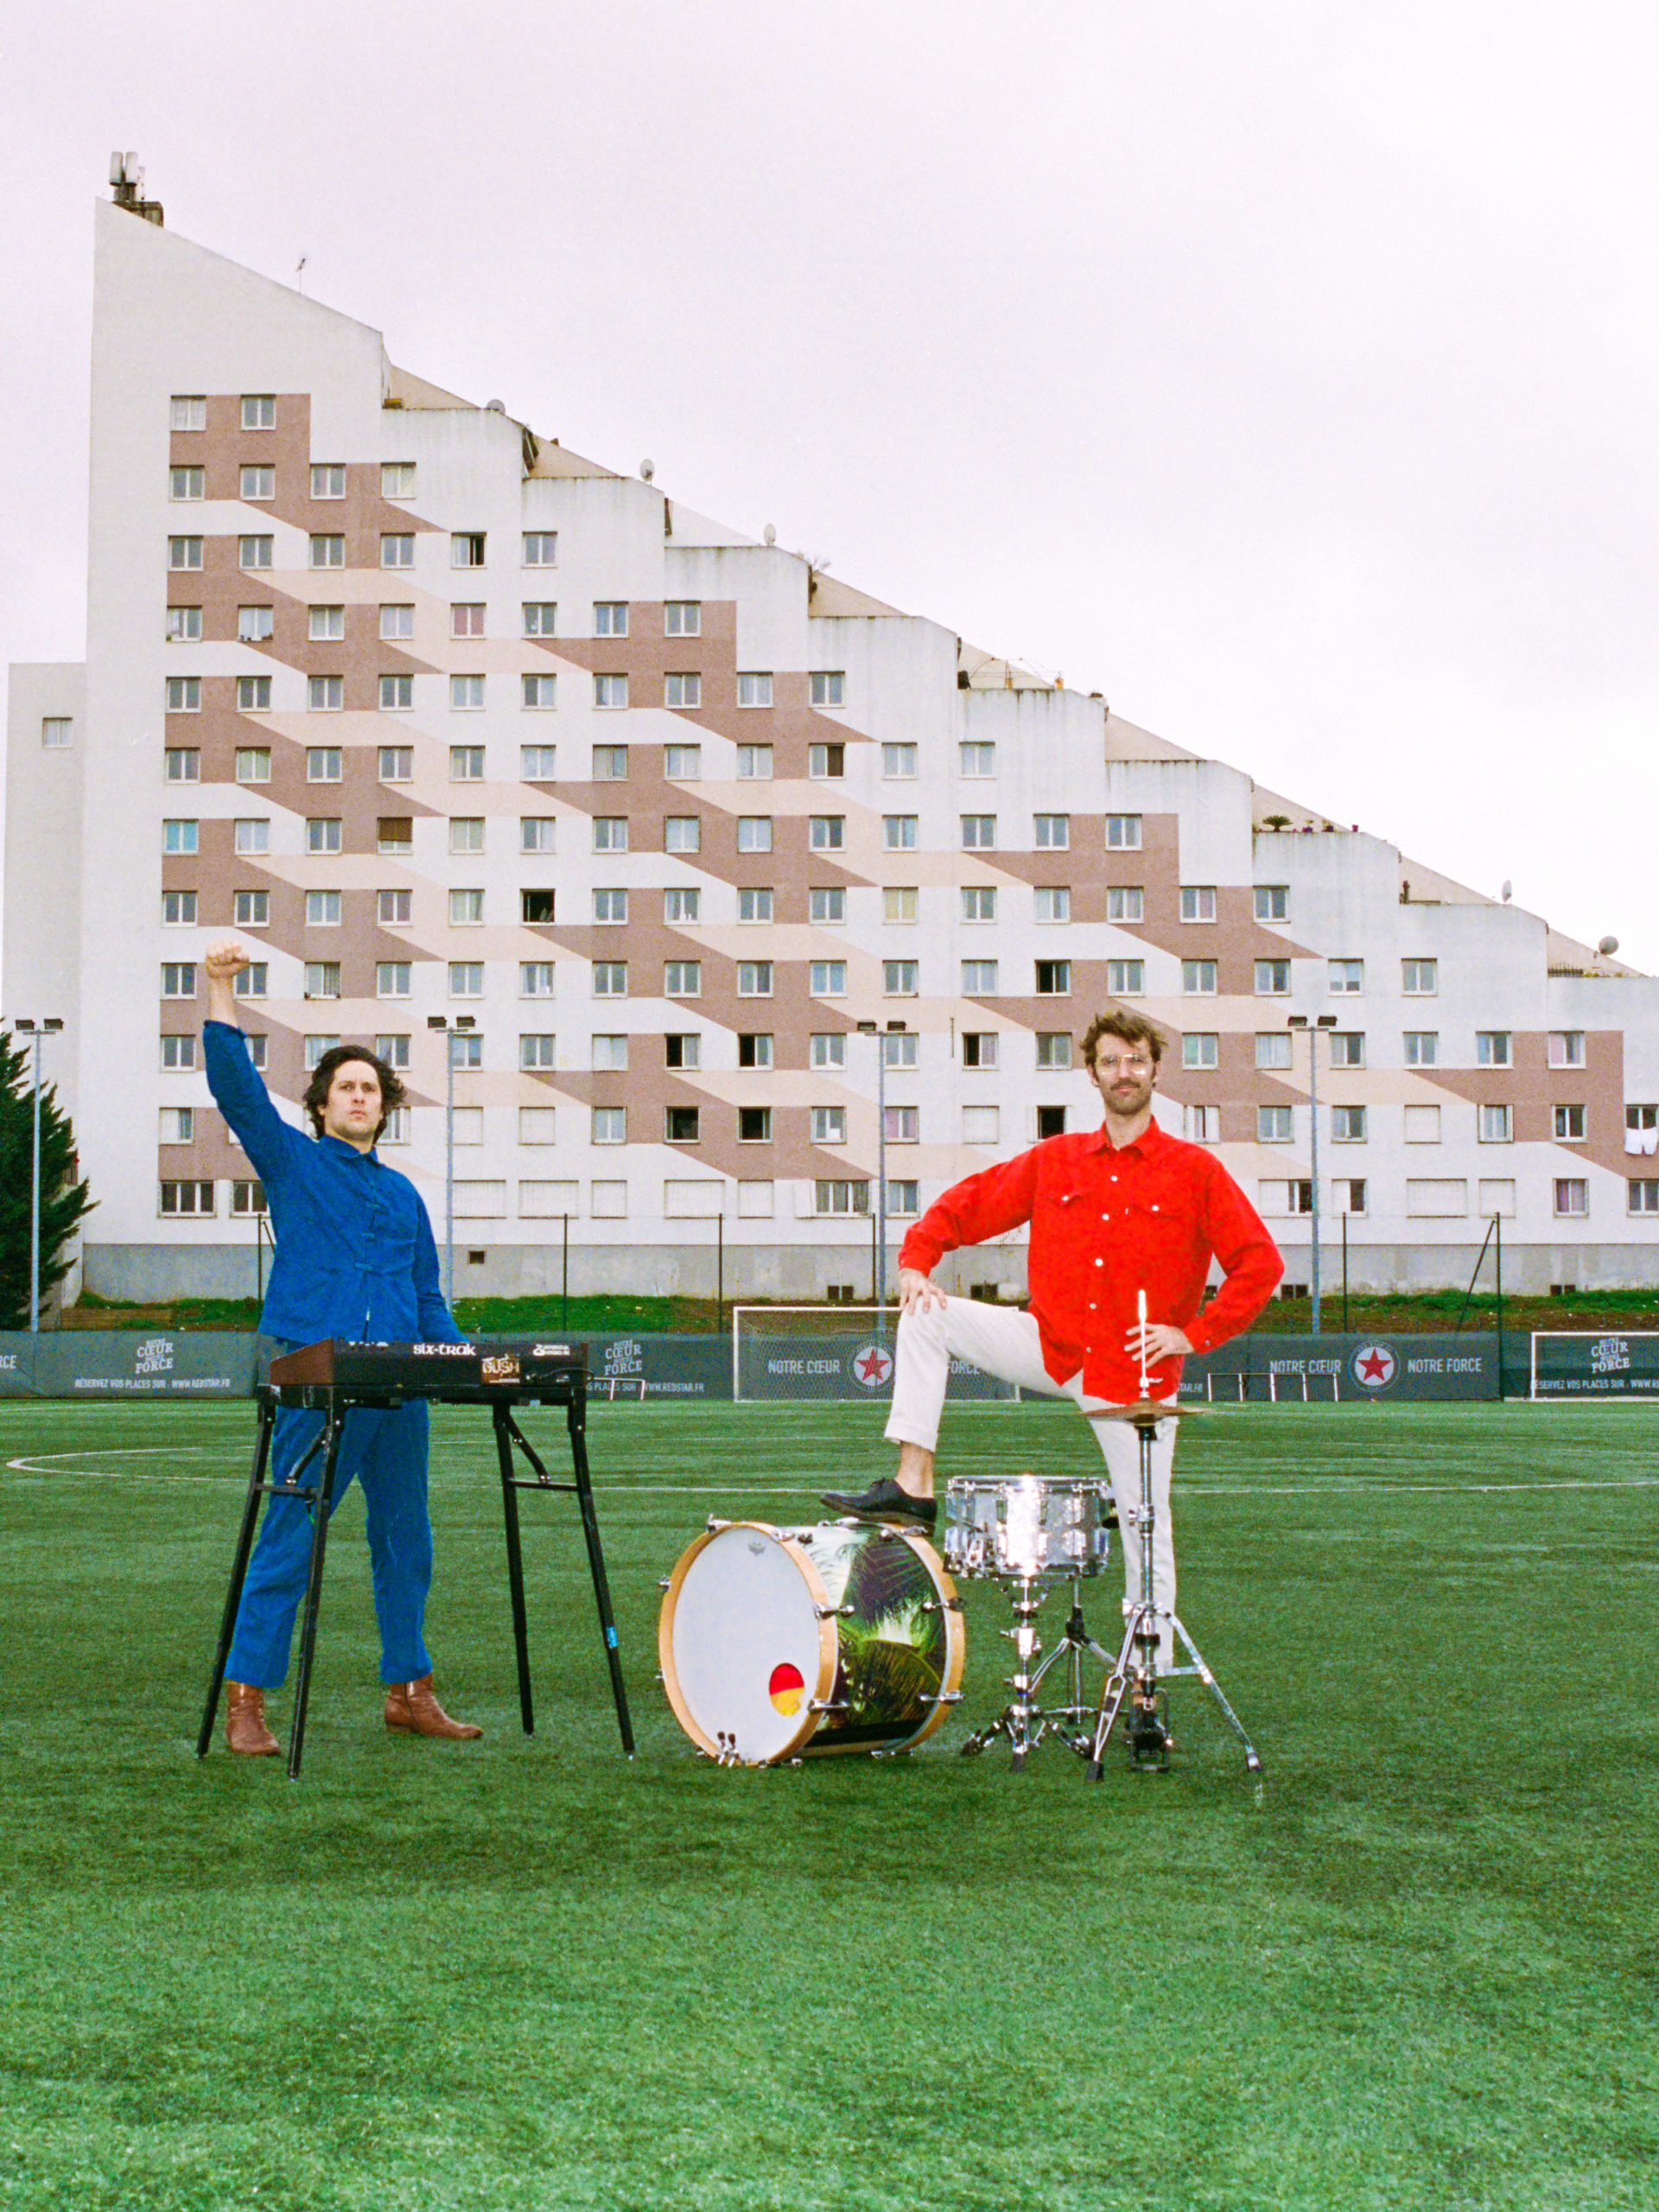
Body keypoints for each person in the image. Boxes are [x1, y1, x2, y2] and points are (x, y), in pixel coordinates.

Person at [822, 1007, 1283, 1660]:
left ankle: (1146, 1680)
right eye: (1111, 1061)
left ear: (1156, 1069)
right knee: (926, 1314)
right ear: (1091, 1073)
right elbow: (970, 1203)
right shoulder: (1057, 1160)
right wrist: (916, 1262)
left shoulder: (1194, 1170)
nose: (1124, 1072)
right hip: (1052, 1344)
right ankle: (914, 1485)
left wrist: (1194, 1334)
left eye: (1136, 1060)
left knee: (1147, 1533)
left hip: (1134, 1377)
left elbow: (1260, 1265)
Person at [202, 940, 482, 1756]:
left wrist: (466, 1363)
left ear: (383, 1107)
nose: (358, 1097)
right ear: (322, 1105)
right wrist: (220, 989)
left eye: (370, 1088)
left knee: (407, 1542)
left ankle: (410, 1691)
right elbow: (236, 1091)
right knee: (290, 1533)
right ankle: (248, 1701)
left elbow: (429, 1299)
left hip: (399, 1391)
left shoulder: (404, 1195)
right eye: (344, 1087)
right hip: (318, 1382)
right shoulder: (292, 1161)